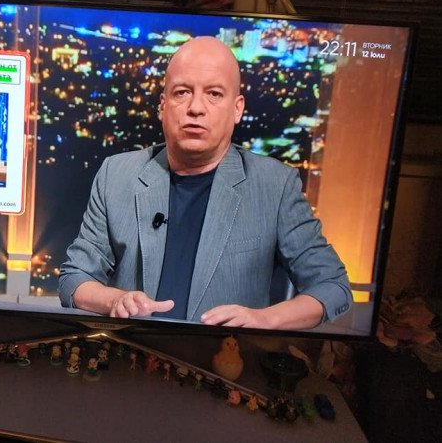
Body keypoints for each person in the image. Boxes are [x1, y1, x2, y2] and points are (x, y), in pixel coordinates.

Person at [58, 36, 352, 330]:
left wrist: (264, 319)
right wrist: (115, 300)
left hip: (225, 354)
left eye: (213, 94)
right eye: (182, 92)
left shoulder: (275, 186)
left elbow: (332, 286)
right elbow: (74, 278)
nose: (196, 108)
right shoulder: (116, 174)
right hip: (134, 349)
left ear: (237, 109)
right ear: (163, 105)